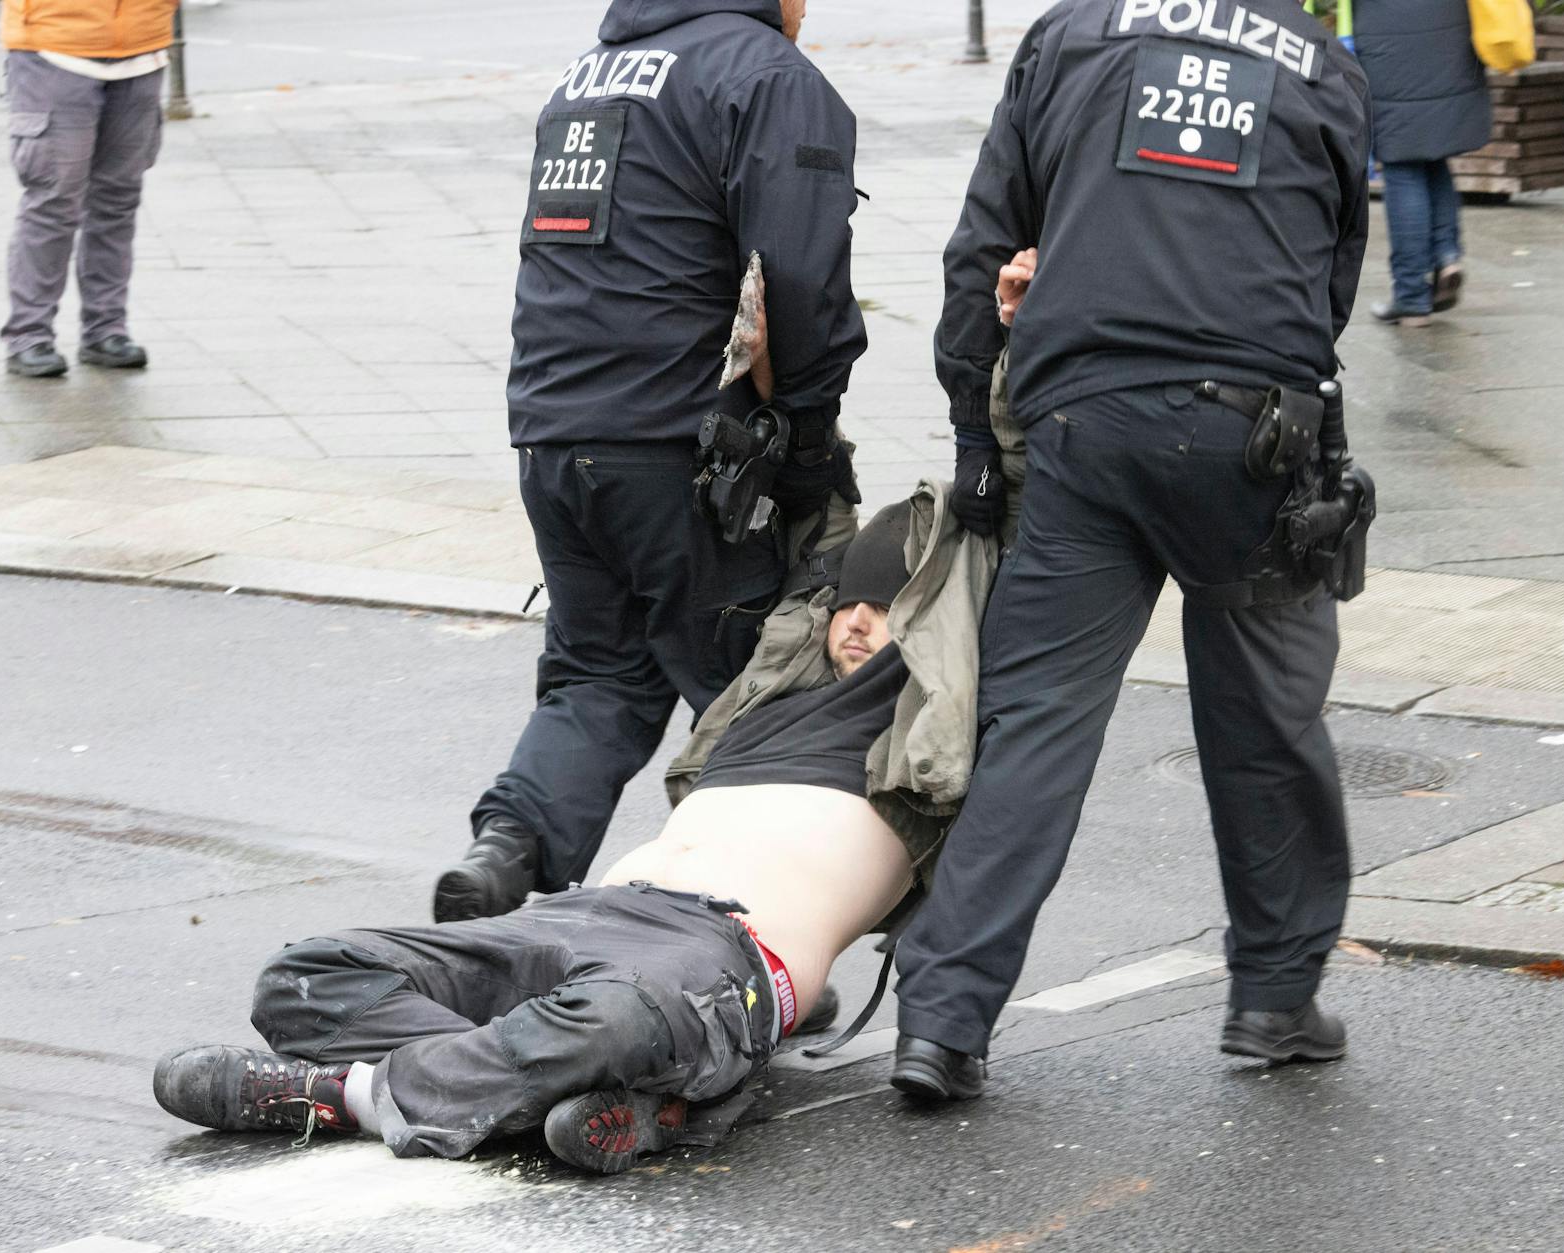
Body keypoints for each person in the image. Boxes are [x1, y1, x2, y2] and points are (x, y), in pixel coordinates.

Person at [155, 503, 982, 1175]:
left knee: (612, 1019)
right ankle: (585, 1096)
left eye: (890, 612)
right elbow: (809, 507)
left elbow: (999, 543)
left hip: (725, 956)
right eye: (851, 604)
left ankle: (348, 1095)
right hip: (590, 913)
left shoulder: (922, 726)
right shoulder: (770, 688)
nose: (860, 626)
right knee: (305, 976)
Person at [889, 0, 1371, 1102]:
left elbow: (981, 242)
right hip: (1253, 438)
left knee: (1035, 721)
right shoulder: (1322, 68)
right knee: (1267, 719)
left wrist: (974, 427)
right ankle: (1271, 1000)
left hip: (1083, 423)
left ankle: (942, 1018)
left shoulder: (1069, 34)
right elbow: (1330, 277)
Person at [435, 0, 868, 924]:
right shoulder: (768, 77)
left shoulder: (588, 75)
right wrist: (806, 437)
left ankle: (507, 850)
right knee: (750, 691)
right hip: (684, 448)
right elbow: (800, 279)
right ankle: (743, 923)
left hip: (557, 431)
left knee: (601, 670)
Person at [0, 0, 175, 378]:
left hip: (144, 46)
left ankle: (106, 330)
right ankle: (28, 335)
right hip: (54, 44)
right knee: (54, 200)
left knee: (118, 200)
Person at [1355, 0, 1493, 327]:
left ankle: (1412, 296)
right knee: (1432, 153)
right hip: (1449, 32)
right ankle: (1447, 257)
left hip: (1388, 39)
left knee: (1402, 164)